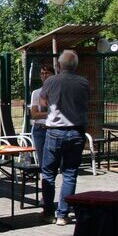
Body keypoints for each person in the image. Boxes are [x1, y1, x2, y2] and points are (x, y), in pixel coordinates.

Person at [39, 50, 90, 226]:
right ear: (75, 66)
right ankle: (63, 214)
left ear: (59, 65)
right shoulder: (84, 82)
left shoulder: (51, 81)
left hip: (54, 131)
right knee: (69, 174)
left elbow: (43, 102)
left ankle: (48, 212)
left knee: (48, 173)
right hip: (76, 132)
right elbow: (85, 103)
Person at [29, 64, 55, 165]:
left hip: (54, 129)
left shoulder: (58, 92)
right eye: (42, 73)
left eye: (47, 73)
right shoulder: (36, 93)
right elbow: (34, 115)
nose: (44, 76)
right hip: (39, 129)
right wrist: (51, 113)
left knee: (54, 160)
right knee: (42, 161)